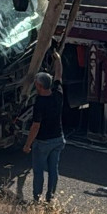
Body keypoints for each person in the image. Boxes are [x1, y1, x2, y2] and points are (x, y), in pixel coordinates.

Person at [22, 50, 64, 203]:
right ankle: (50, 197)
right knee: (54, 169)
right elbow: (59, 74)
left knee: (39, 171)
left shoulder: (40, 103)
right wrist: (58, 58)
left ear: (39, 86)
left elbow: (35, 126)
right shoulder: (58, 93)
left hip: (43, 142)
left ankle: (36, 198)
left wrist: (27, 145)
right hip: (58, 138)